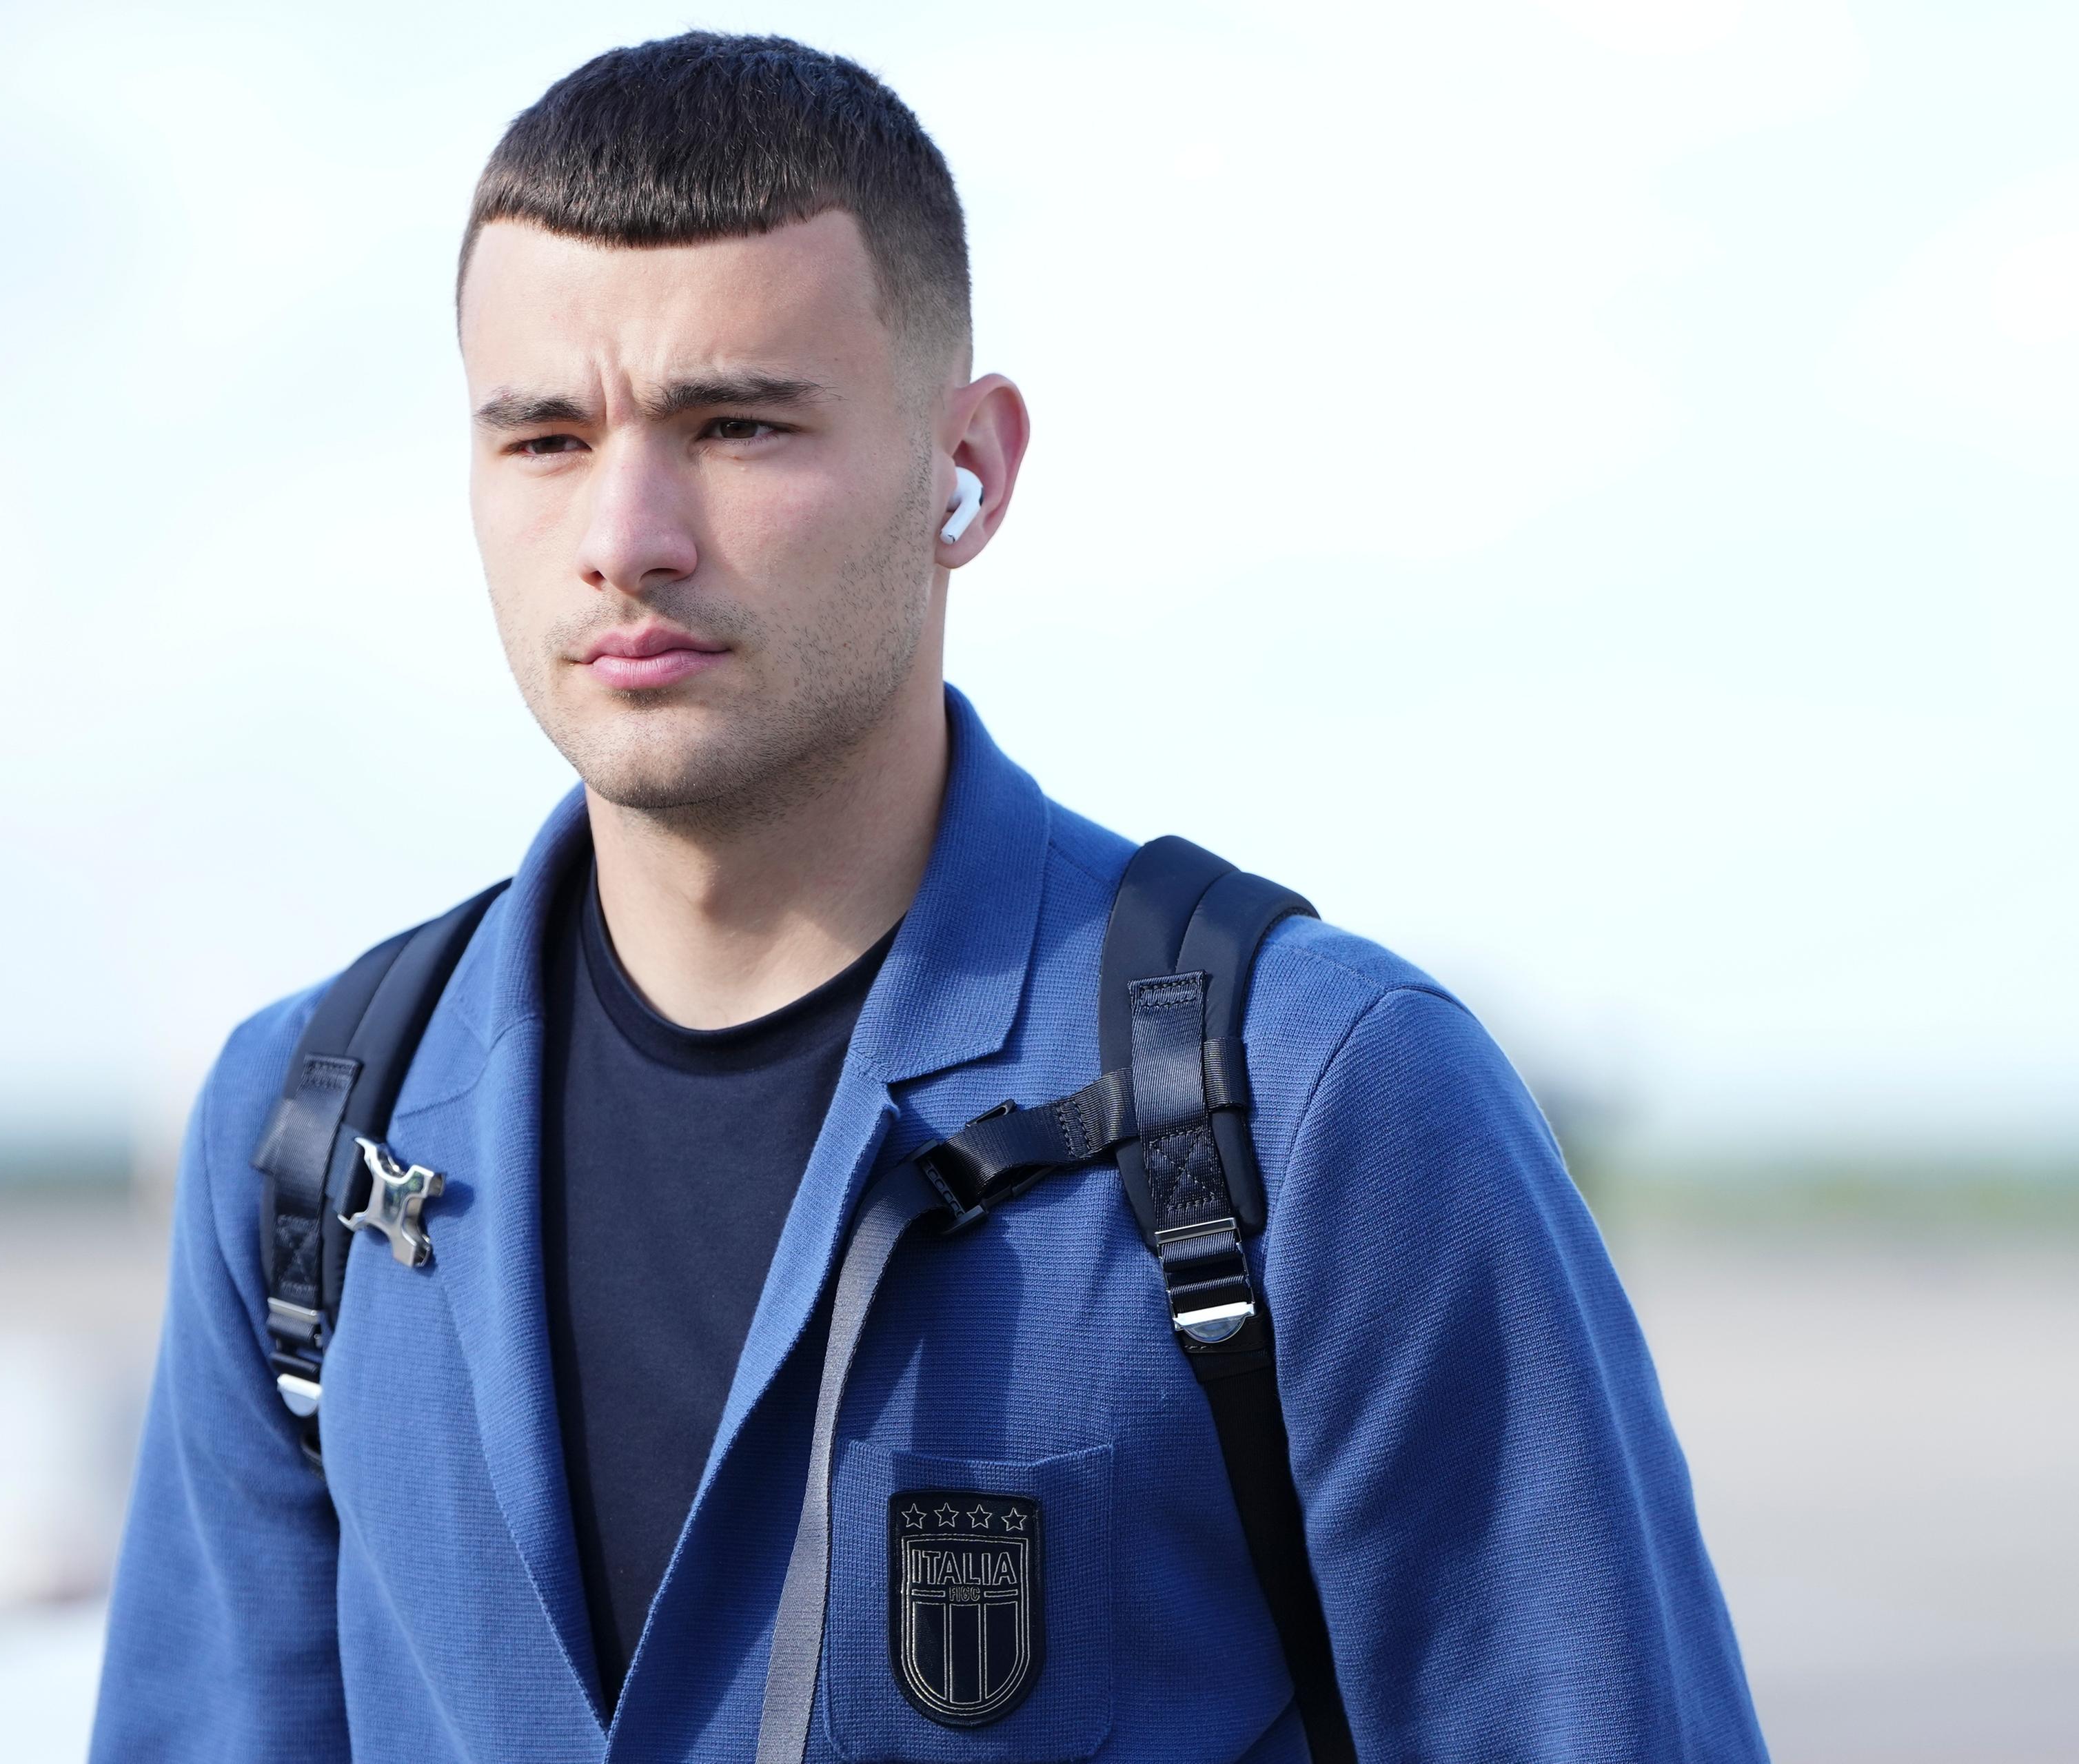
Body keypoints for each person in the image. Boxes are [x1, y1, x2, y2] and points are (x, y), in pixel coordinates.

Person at [91, 31, 1765, 1764]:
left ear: (970, 467)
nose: (629, 531)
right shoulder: (304, 1137)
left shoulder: (1322, 1101)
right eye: (544, 437)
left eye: (738, 424)